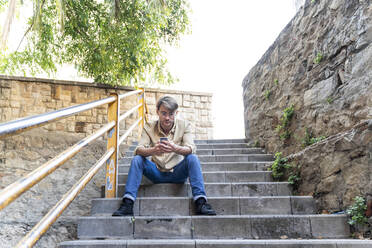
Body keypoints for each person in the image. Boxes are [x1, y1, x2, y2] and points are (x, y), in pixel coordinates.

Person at [112, 95, 216, 216]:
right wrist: (153, 150)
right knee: (137, 159)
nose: (167, 118)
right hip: (156, 173)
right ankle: (127, 204)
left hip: (178, 173)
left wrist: (175, 148)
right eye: (164, 113)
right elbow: (139, 149)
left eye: (171, 114)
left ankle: (201, 202)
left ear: (176, 113)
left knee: (193, 158)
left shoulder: (184, 125)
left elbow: (191, 148)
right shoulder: (149, 127)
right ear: (157, 112)